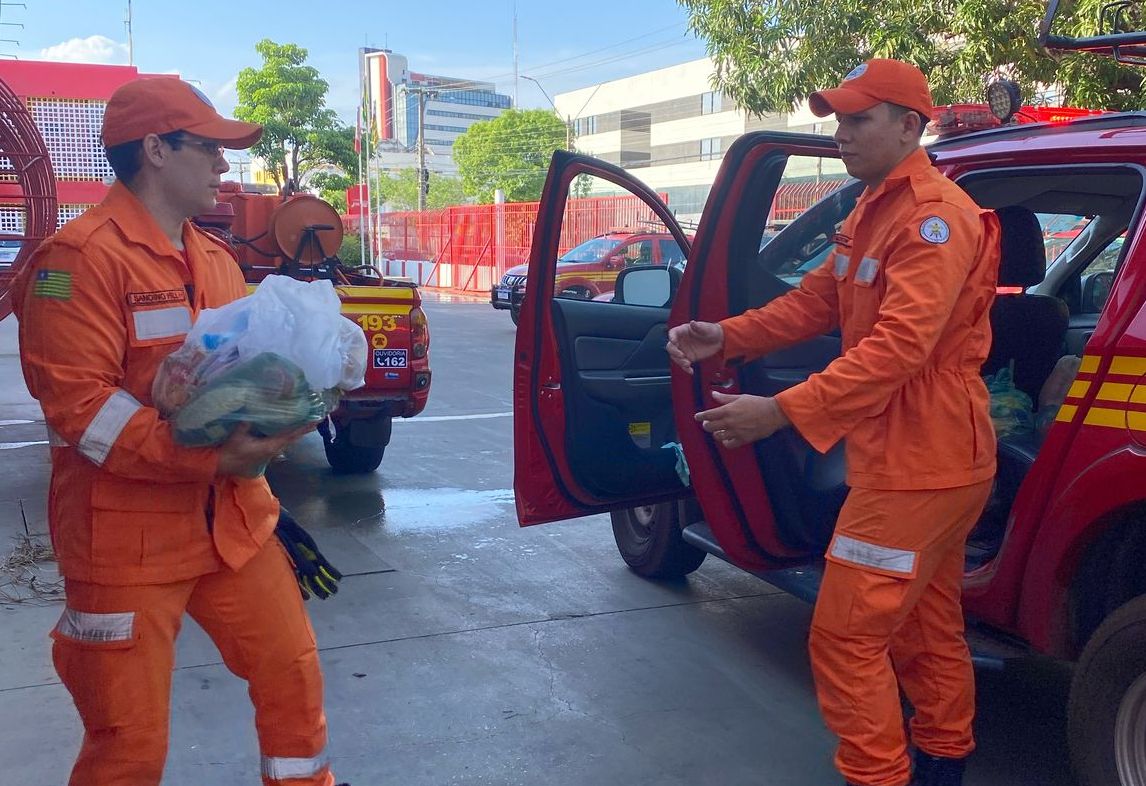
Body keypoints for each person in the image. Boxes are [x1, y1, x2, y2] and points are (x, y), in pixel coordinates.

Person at [667, 59, 1001, 786]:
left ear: (909, 126)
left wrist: (781, 411)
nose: (842, 135)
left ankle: (879, 776)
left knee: (846, 638)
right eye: (840, 120)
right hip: (920, 461)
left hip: (921, 465)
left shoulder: (935, 218)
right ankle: (943, 764)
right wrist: (728, 336)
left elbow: (899, 348)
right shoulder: (871, 209)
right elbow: (814, 302)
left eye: (858, 120)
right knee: (924, 629)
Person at [13, 78, 345, 786]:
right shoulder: (76, 263)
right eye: (211, 148)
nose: (225, 167)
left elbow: (244, 373)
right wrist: (213, 457)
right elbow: (82, 412)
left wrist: (294, 399)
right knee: (128, 747)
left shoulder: (217, 260)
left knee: (295, 690)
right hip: (125, 545)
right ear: (156, 151)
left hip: (236, 529)